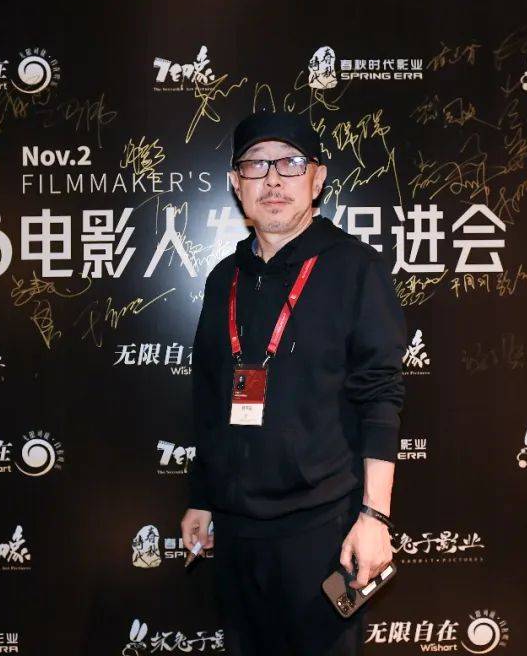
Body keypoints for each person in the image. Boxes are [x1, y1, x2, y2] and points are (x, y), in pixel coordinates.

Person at [180, 111, 407, 655]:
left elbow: (380, 396)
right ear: (236, 183)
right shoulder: (224, 278)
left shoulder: (355, 268)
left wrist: (375, 517)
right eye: (256, 165)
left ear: (317, 178)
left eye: (290, 163)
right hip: (236, 531)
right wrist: (203, 499)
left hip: (322, 530)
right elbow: (210, 397)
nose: (274, 179)